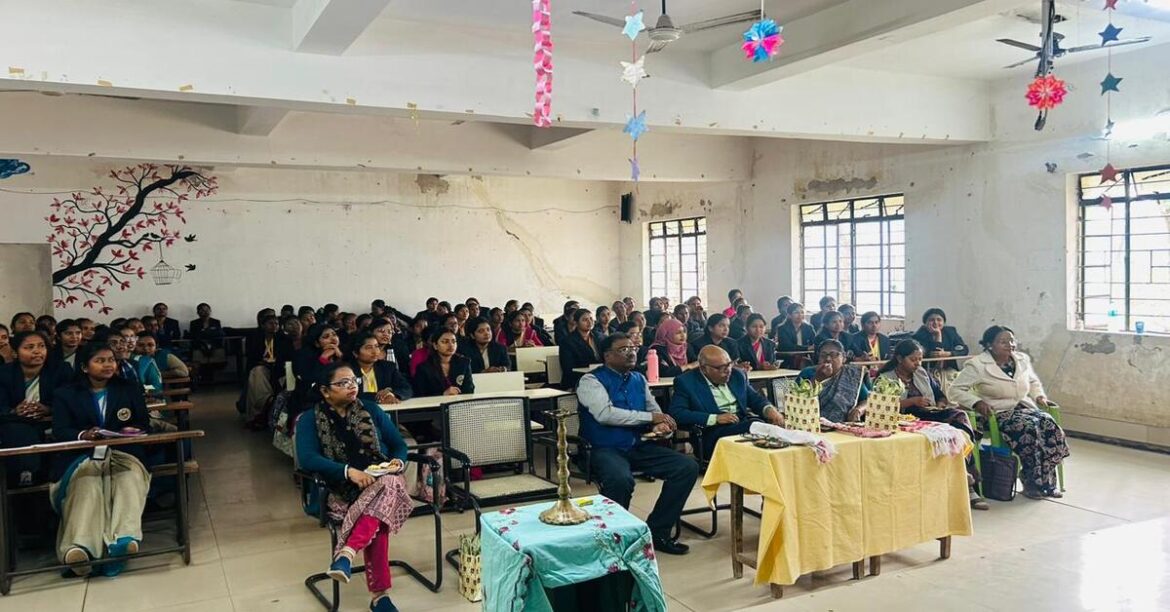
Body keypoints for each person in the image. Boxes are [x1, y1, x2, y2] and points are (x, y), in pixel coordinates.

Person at [294, 363, 412, 612]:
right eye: (343, 383)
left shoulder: (370, 409)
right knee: (380, 514)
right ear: (326, 391)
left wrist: (397, 462)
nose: (352, 387)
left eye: (354, 381)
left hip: (381, 481)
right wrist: (349, 472)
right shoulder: (309, 419)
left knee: (389, 483)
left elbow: (398, 444)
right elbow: (307, 458)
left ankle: (346, 554)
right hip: (338, 491)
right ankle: (380, 597)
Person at [575, 333, 697, 555]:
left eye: (633, 347)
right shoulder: (591, 381)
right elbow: (605, 414)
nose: (632, 352)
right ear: (607, 355)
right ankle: (613, 538)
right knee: (621, 479)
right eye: (623, 349)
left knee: (686, 467)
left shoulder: (639, 379)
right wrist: (650, 420)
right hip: (603, 448)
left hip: (638, 444)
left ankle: (658, 530)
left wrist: (661, 426)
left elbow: (654, 410)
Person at [50, 343, 152, 577]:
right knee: (87, 485)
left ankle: (124, 540)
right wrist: (83, 435)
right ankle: (79, 548)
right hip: (83, 454)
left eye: (111, 360)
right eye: (100, 360)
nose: (108, 365)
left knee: (128, 479)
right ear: (85, 367)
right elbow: (61, 429)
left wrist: (130, 430)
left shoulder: (128, 388)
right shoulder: (66, 393)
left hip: (122, 451)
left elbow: (143, 423)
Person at [950, 326, 1069, 500]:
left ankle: (1048, 483)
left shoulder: (1022, 359)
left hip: (1023, 407)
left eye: (1012, 340)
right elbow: (955, 390)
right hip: (996, 413)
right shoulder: (977, 365)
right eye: (1003, 341)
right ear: (990, 345)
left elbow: (1033, 382)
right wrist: (976, 402)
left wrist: (1040, 397)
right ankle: (1032, 483)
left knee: (1048, 424)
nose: (1010, 345)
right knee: (1030, 428)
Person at [877, 339, 988, 510]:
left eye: (920, 359)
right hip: (904, 419)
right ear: (899, 359)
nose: (918, 363)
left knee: (959, 420)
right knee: (953, 429)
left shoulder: (921, 374)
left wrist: (941, 404)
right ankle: (969, 484)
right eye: (913, 360)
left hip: (930, 414)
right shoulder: (886, 378)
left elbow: (940, 395)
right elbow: (881, 406)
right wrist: (912, 401)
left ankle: (967, 474)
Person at [669, 345, 784, 458]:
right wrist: (715, 418)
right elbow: (677, 414)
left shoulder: (737, 375)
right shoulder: (686, 382)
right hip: (712, 432)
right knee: (756, 426)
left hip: (742, 423)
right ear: (704, 368)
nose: (727, 370)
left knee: (768, 426)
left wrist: (770, 410)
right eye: (720, 367)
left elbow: (755, 399)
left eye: (729, 364)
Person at [0, 331, 69, 485]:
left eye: (41, 346)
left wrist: (48, 409)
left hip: (50, 421)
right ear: (15, 352)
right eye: (29, 347)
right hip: (13, 424)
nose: (37, 351)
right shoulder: (4, 373)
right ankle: (25, 477)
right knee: (17, 430)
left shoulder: (61, 370)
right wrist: (14, 411)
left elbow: (69, 400)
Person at [796, 339, 871, 423]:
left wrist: (858, 410)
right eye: (823, 355)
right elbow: (796, 401)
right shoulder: (807, 372)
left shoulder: (851, 375)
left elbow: (868, 400)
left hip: (843, 426)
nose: (828, 359)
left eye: (834, 355)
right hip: (811, 424)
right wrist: (818, 378)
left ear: (844, 358)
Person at [349, 330, 412, 405]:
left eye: (376, 346)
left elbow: (406, 389)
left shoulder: (388, 367)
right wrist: (380, 397)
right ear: (355, 353)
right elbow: (351, 395)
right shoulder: (346, 370)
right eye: (369, 347)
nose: (375, 351)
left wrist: (391, 394)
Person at [294, 324, 346, 413]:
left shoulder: (344, 352)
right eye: (326, 337)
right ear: (317, 343)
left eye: (334, 334)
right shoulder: (304, 355)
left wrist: (341, 357)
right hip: (313, 398)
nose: (333, 338)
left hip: (341, 396)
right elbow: (309, 380)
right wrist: (323, 359)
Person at [242, 315, 282, 426]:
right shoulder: (255, 338)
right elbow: (251, 356)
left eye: (276, 323)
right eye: (271, 323)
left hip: (278, 367)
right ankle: (260, 409)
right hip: (261, 366)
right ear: (263, 325)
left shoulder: (282, 338)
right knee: (257, 373)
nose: (274, 326)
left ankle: (264, 405)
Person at [412, 328, 475, 397]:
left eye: (453, 341)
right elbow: (420, 394)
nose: (451, 345)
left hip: (459, 404)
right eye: (445, 342)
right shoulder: (424, 368)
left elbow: (469, 389)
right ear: (435, 345)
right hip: (434, 406)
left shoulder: (464, 363)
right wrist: (442, 394)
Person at [912, 308, 970, 372]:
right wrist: (938, 334)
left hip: (949, 370)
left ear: (944, 322)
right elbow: (935, 356)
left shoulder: (950, 332)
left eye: (939, 320)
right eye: (931, 320)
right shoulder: (919, 335)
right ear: (925, 323)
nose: (935, 322)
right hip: (927, 371)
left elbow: (964, 350)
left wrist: (948, 354)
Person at [559, 308, 604, 389]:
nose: (590, 322)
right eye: (585, 320)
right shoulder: (568, 341)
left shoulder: (599, 337)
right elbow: (568, 368)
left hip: (599, 378)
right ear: (576, 323)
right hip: (577, 380)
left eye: (591, 318)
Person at [188, 303, 226, 382]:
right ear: (198, 312)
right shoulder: (194, 323)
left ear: (210, 311)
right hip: (199, 346)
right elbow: (194, 336)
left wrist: (204, 332)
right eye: (202, 310)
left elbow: (218, 334)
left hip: (215, 345)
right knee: (197, 354)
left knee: (219, 353)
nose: (205, 312)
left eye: (207, 310)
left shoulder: (216, 322)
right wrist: (209, 332)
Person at [776, 302, 816, 369]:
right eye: (796, 312)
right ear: (789, 315)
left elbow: (815, 342)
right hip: (788, 358)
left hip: (805, 358)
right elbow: (787, 346)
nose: (800, 315)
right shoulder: (782, 328)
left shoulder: (808, 327)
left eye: (802, 312)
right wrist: (807, 348)